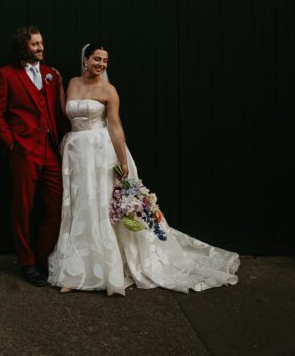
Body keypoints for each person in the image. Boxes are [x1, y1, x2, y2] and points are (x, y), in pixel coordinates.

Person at [47, 43, 240, 295]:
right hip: (76, 153)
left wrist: (123, 163)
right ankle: (76, 270)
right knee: (81, 206)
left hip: (100, 152)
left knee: (101, 207)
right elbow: (66, 112)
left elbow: (115, 126)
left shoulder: (109, 90)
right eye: (97, 59)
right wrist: (60, 87)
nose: (101, 65)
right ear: (85, 60)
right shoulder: (72, 82)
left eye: (105, 61)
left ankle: (104, 270)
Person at [0, 26, 66, 286]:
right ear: (24, 47)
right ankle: (27, 262)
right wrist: (11, 145)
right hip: (23, 152)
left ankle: (42, 257)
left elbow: (56, 112)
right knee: (22, 208)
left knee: (56, 206)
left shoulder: (50, 75)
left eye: (41, 43)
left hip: (50, 151)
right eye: (35, 44)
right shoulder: (6, 75)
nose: (41, 48)